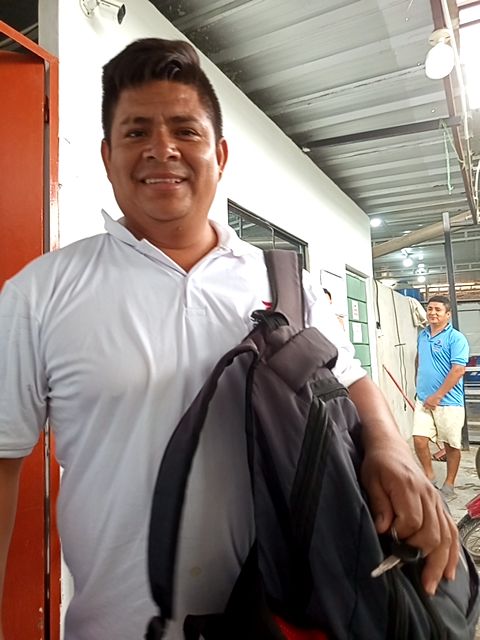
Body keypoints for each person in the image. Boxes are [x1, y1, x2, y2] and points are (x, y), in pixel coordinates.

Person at [0, 39, 458, 640]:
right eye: (136, 132)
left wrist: (390, 446)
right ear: (108, 157)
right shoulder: (41, 293)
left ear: (218, 154)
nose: (162, 148)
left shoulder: (284, 283)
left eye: (185, 130)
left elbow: (351, 377)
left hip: (288, 622)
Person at [413, 295, 469, 500]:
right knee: (419, 440)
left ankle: (449, 484)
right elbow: (419, 358)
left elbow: (458, 370)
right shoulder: (422, 335)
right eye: (430, 309)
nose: (432, 313)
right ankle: (429, 477)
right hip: (423, 399)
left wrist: (437, 396)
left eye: (438, 309)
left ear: (448, 314)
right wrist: (418, 384)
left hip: (449, 402)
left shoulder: (456, 338)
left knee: (451, 445)